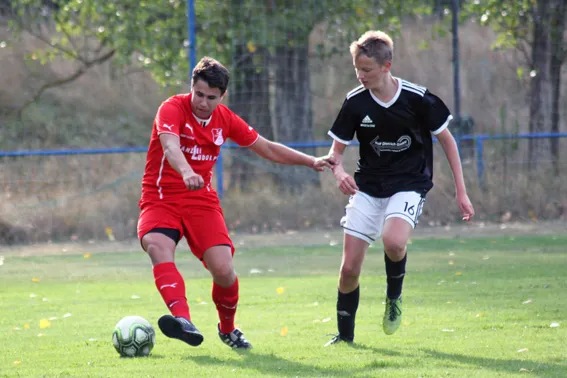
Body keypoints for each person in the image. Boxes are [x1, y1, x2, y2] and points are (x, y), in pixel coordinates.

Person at [137, 56, 333, 350]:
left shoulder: (225, 119)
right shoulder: (171, 108)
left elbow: (266, 147)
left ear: (222, 96)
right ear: (192, 87)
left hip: (201, 202)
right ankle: (183, 320)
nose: (202, 102)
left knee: (225, 271)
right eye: (199, 94)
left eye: (211, 97)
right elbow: (169, 145)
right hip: (160, 198)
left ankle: (227, 329)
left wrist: (310, 161)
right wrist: (188, 171)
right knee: (156, 245)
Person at [324, 31, 475, 346]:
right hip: (367, 188)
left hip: (409, 183)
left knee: (393, 241)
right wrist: (338, 173)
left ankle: (394, 297)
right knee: (349, 269)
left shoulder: (418, 99)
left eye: (367, 70)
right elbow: (335, 153)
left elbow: (447, 140)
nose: (361, 76)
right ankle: (345, 338)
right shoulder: (355, 102)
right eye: (357, 69)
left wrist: (462, 191)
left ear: (386, 65)